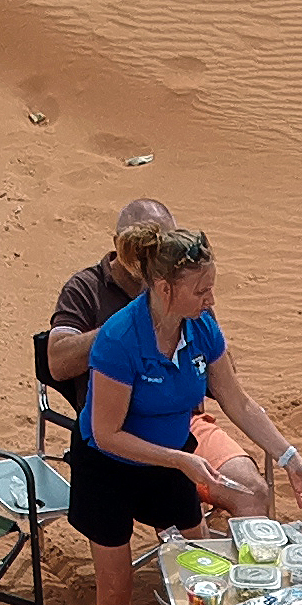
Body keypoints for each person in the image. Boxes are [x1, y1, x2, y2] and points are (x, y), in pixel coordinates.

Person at [70, 223, 302, 605]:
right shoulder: (121, 339)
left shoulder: (202, 327)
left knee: (204, 568)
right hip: (109, 468)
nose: (211, 297)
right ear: (165, 289)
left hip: (169, 458)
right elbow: (106, 433)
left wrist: (290, 455)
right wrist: (182, 462)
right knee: (116, 583)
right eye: (201, 288)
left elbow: (237, 400)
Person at [47, 199, 269, 522]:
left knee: (253, 493)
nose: (159, 256)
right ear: (121, 246)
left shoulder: (189, 291)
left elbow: (223, 380)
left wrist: (179, 312)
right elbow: (56, 361)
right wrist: (134, 325)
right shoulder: (87, 289)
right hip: (116, 429)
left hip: (183, 424)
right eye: (147, 246)